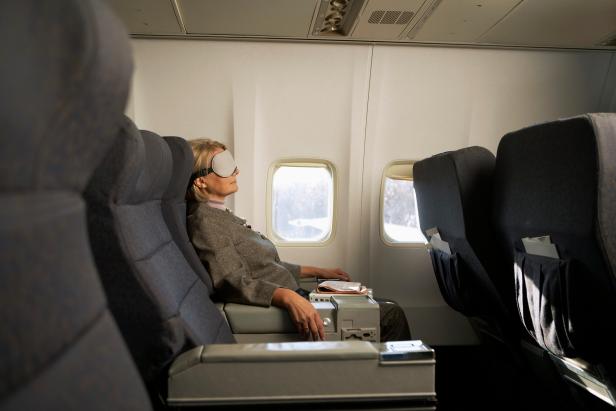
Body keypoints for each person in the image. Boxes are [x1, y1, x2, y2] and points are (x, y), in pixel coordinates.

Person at [186, 138, 411, 342]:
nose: (236, 171)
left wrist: (318, 271)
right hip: (283, 302)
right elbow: (231, 280)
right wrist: (287, 296)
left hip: (293, 292)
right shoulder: (206, 223)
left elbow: (264, 266)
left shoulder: (221, 216)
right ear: (201, 182)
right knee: (391, 315)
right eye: (223, 166)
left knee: (381, 304)